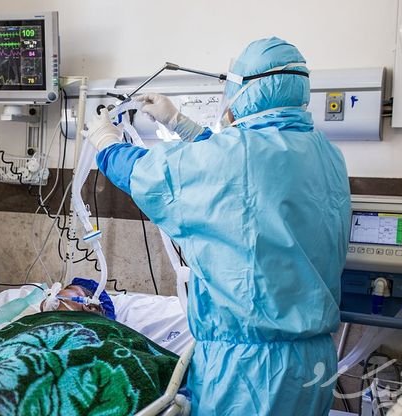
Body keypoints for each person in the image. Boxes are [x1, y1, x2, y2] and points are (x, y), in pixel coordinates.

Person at [85, 37, 351, 415]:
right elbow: (241, 170)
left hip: (251, 375)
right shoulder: (325, 153)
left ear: (247, 90)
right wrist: (180, 124)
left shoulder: (234, 157)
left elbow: (150, 173)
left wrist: (106, 143)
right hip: (313, 362)